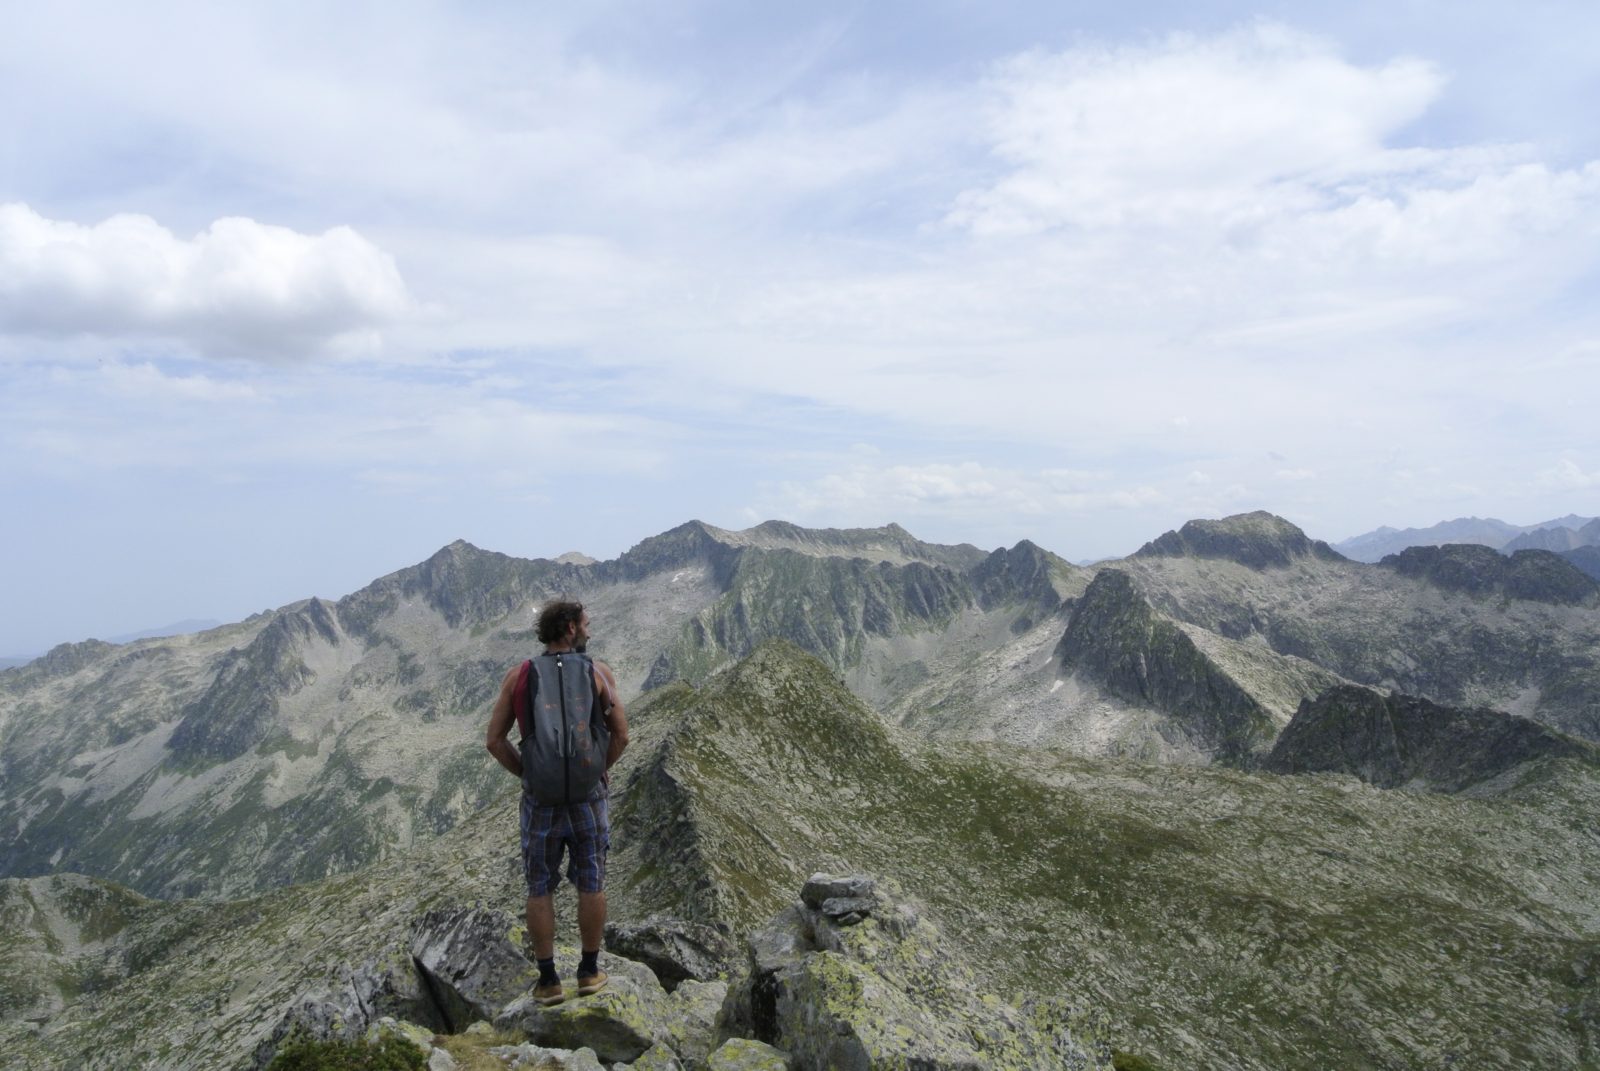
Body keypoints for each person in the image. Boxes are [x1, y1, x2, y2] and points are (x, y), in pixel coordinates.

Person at [485, 600, 628, 1005]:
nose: (589, 631)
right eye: (585, 624)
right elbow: (621, 734)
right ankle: (588, 971)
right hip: (588, 799)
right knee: (592, 880)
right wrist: (598, 771)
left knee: (539, 886)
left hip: (541, 803)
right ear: (569, 628)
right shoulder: (598, 672)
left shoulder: (520, 677)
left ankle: (548, 981)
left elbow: (494, 741)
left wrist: (528, 777)